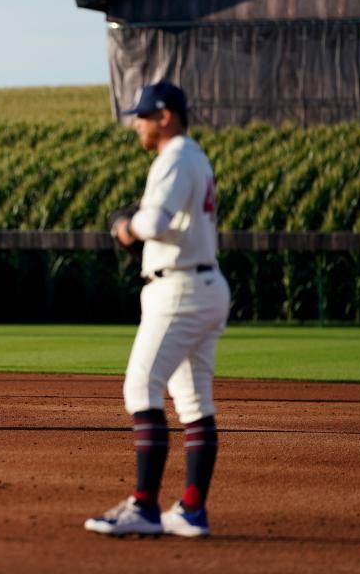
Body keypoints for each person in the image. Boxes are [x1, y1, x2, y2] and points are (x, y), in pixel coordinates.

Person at [84, 81, 230, 538]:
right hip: (205, 285)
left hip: (180, 289)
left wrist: (127, 227)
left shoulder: (174, 157)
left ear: (165, 116)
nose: (137, 124)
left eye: (143, 116)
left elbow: (154, 222)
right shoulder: (197, 156)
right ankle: (190, 510)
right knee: (194, 402)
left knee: (141, 387)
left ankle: (144, 506)